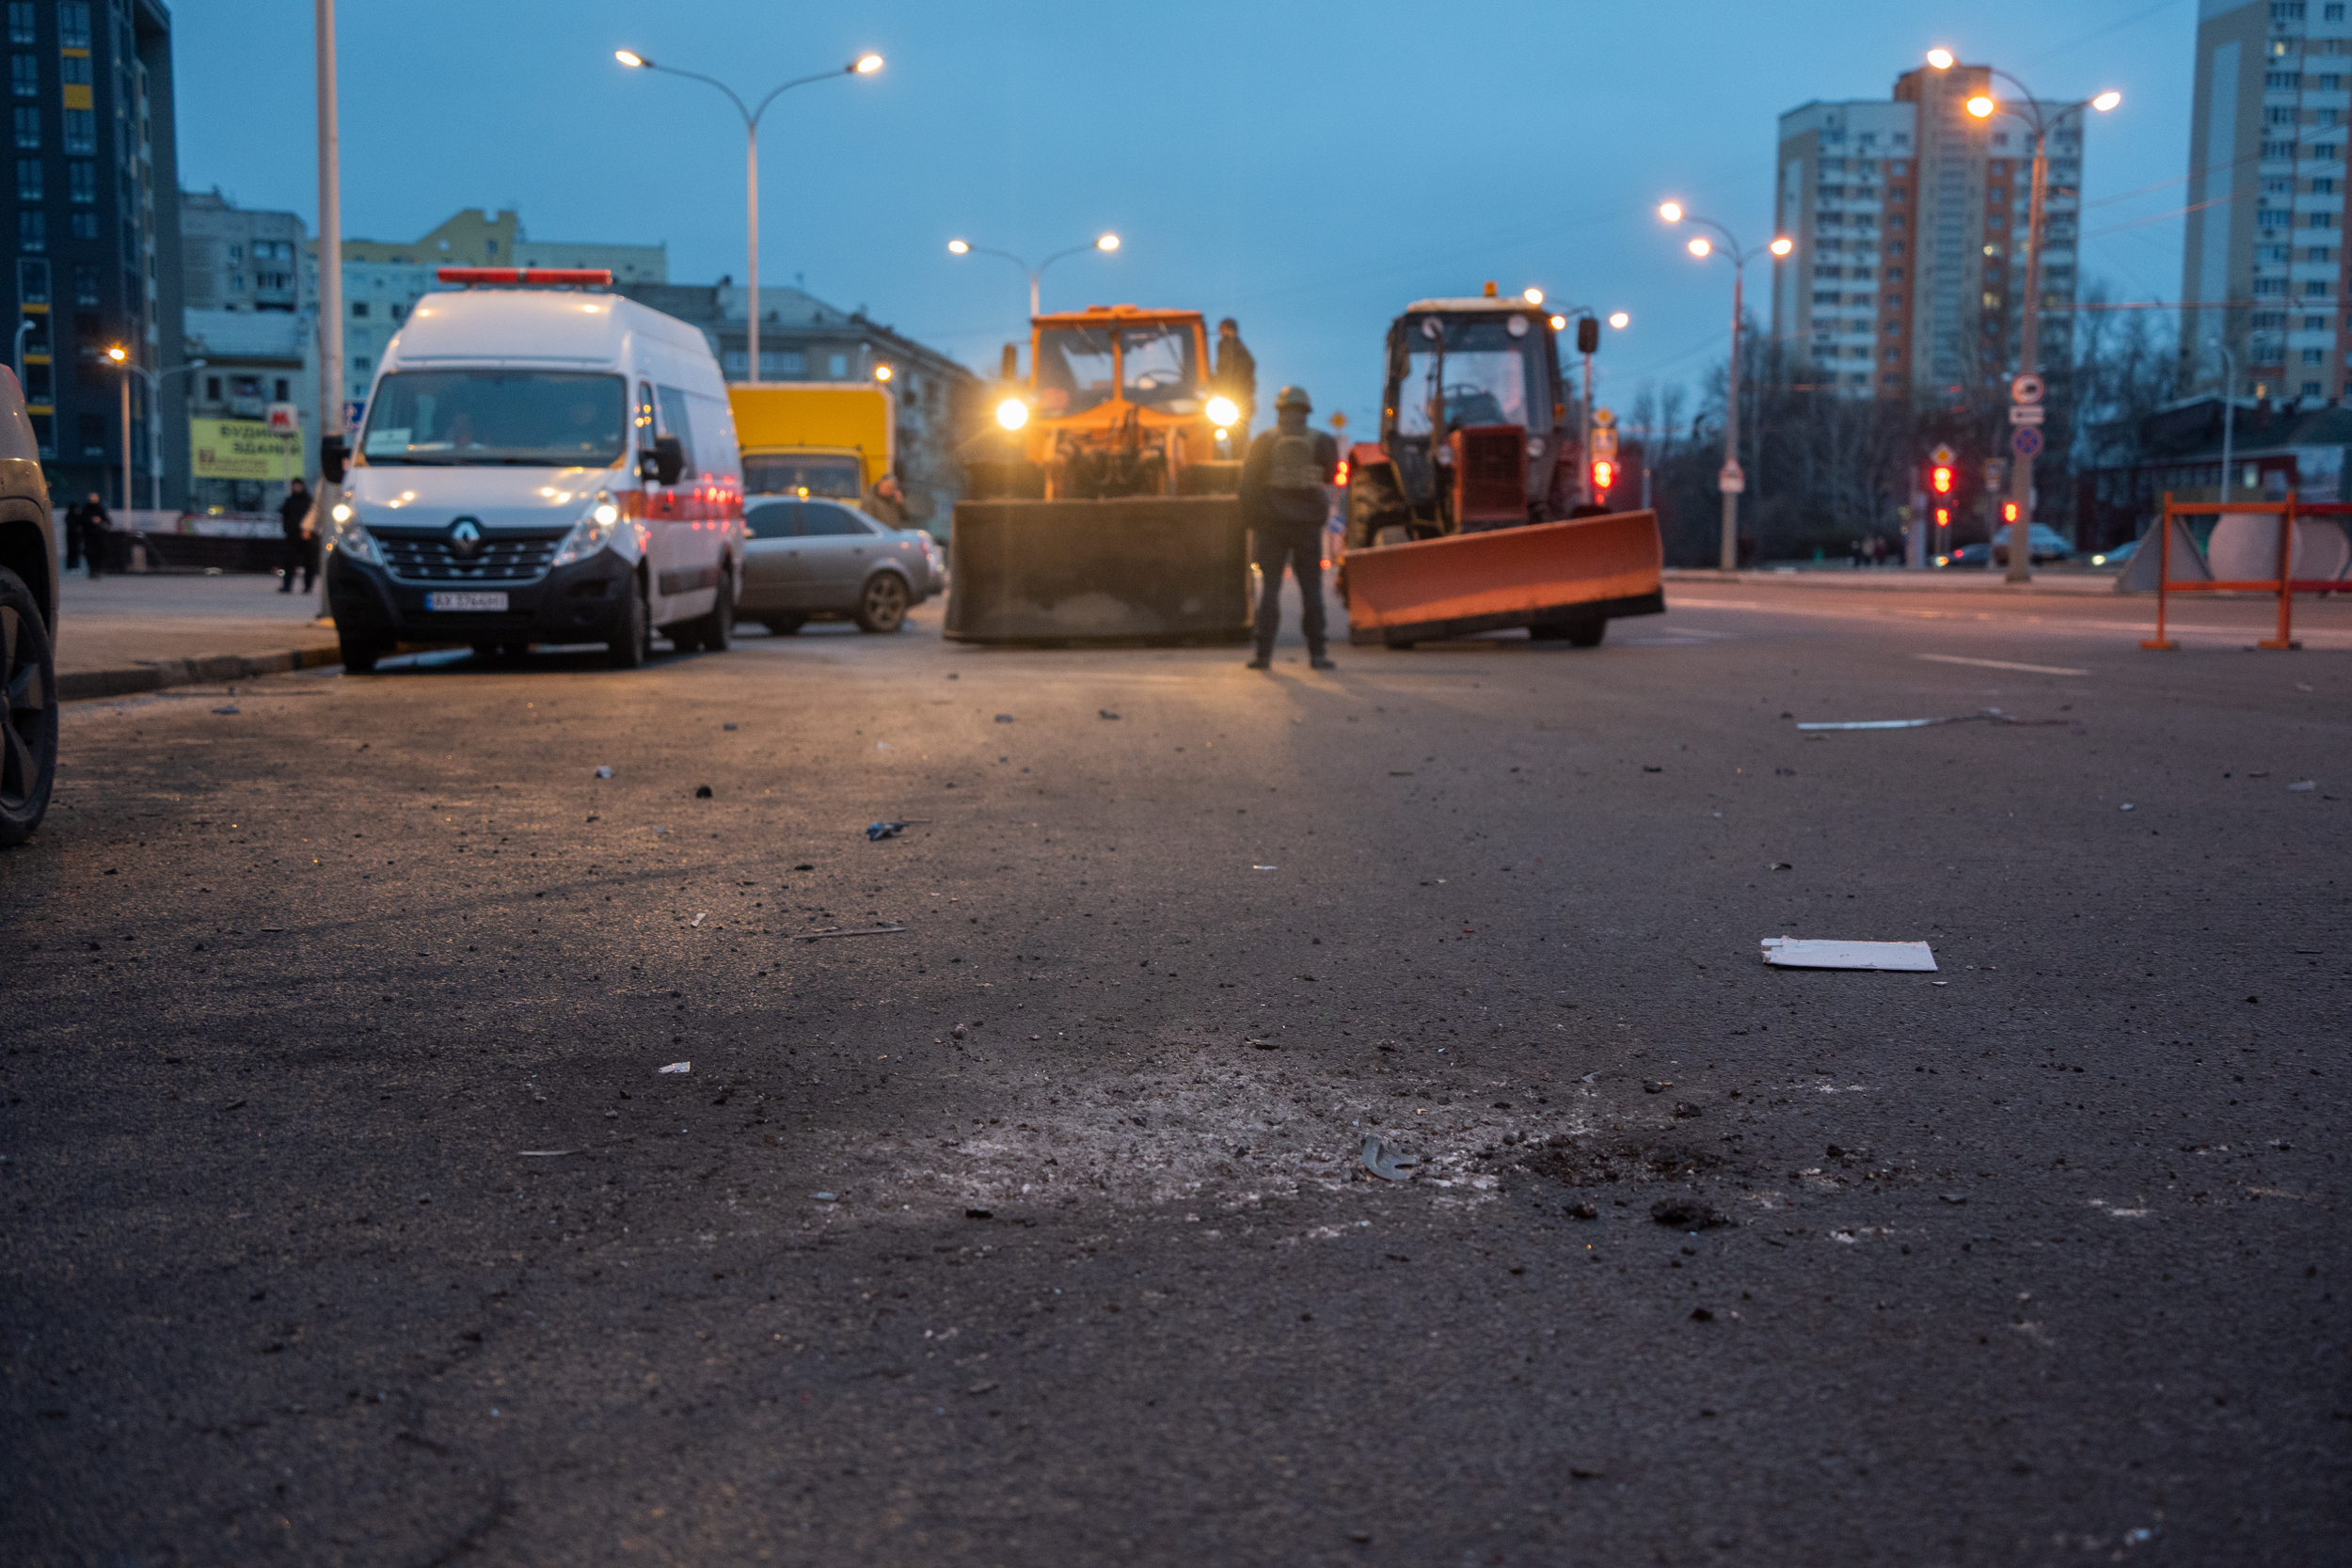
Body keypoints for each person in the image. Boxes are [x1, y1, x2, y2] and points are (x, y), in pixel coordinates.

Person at [1239, 385, 1339, 672]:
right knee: (1312, 590)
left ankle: (1263, 655)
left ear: (1279, 411)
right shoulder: (1323, 441)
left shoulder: (1263, 442)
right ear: (1306, 412)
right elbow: (1332, 476)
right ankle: (1318, 655)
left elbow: (1247, 485)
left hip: (1271, 525)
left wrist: (1252, 521)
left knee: (1270, 589)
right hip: (1307, 526)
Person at [1215, 318, 1256, 442]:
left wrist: (1237, 391)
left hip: (1237, 399)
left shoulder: (1233, 347)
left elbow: (1232, 372)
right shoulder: (1227, 347)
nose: (1220, 333)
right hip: (1229, 398)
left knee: (1238, 436)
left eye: (1222, 329)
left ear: (1231, 330)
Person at [278, 477, 314, 593]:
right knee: (289, 561)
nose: (297, 488)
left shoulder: (308, 501)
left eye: (298, 486)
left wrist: (309, 530)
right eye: (295, 486)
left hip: (306, 536)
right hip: (292, 536)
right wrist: (287, 530)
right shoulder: (290, 501)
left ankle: (308, 586)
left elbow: (313, 517)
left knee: (308, 562)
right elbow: (285, 516)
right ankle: (287, 586)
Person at [79, 492, 107, 580]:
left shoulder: (100, 509)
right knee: (90, 553)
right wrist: (91, 520)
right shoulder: (86, 509)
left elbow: (106, 520)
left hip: (99, 535)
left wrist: (100, 521)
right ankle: (92, 570)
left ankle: (97, 570)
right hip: (89, 535)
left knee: (99, 553)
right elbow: (82, 520)